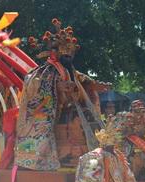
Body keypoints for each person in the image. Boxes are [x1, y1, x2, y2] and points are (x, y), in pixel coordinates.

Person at [16, 19, 110, 170]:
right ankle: (36, 158)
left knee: (87, 123)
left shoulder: (71, 71)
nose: (68, 57)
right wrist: (57, 87)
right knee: (43, 127)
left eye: (71, 54)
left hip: (71, 113)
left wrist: (93, 86)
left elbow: (83, 81)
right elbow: (34, 87)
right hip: (49, 114)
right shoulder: (44, 72)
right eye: (65, 53)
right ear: (55, 52)